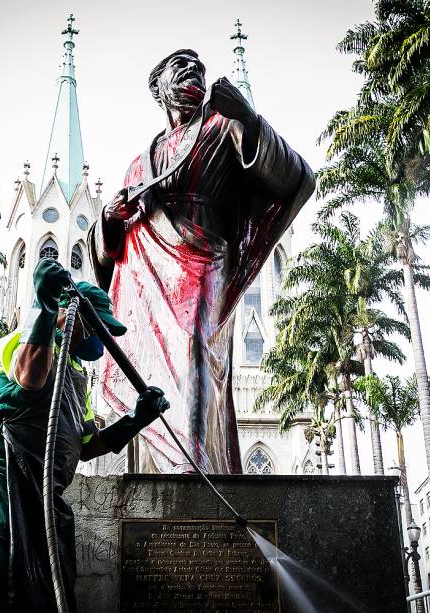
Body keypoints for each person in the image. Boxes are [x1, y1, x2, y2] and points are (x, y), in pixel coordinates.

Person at [89, 49, 314, 474]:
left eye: (199, 68)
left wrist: (249, 118)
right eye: (182, 66)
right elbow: (105, 253)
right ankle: (165, 474)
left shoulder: (222, 128)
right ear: (158, 89)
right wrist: (108, 217)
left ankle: (192, 472)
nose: (194, 71)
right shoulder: (140, 162)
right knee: (148, 374)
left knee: (194, 353)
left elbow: (295, 175)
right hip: (146, 281)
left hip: (204, 261)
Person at [0, 259, 169, 612]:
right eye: (95, 329)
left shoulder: (77, 375)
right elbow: (29, 378)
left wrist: (135, 420)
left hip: (42, 489)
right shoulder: (24, 340)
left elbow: (86, 446)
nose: (99, 341)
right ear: (68, 316)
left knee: (46, 593)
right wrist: (43, 304)